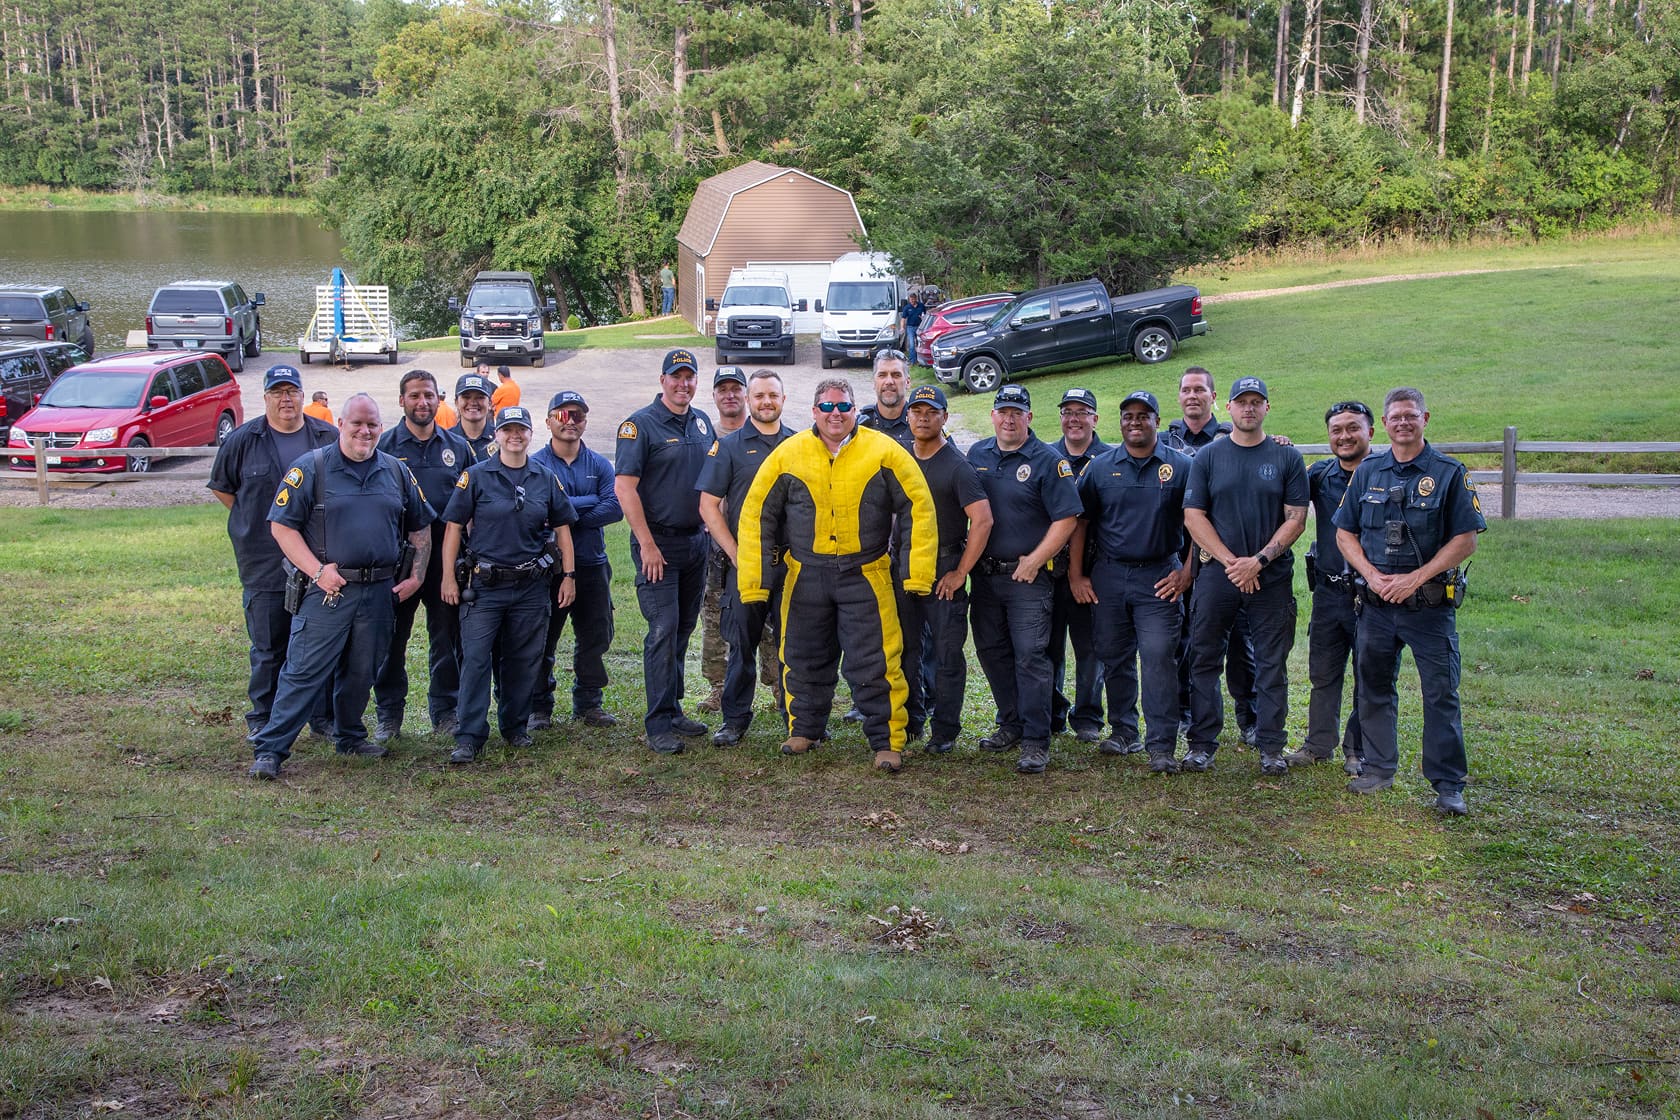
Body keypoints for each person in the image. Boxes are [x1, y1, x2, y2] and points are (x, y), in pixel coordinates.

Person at [736, 378, 936, 771]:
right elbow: (756, 514)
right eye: (826, 408)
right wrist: (755, 581)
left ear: (854, 410)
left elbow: (919, 506)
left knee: (875, 660)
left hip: (866, 575)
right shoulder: (787, 455)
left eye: (843, 406)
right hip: (805, 575)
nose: (835, 414)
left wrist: (916, 575)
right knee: (801, 655)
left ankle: (887, 741)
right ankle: (804, 729)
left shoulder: (884, 452)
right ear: (814, 412)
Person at [247, 393, 433, 779]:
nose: (365, 431)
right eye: (356, 424)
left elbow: (420, 526)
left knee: (362, 670)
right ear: (341, 425)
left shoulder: (396, 471)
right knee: (304, 671)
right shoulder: (311, 469)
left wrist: (416, 574)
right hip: (329, 591)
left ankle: (349, 735)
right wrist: (317, 571)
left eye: (372, 424)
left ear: (381, 427)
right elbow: (281, 527)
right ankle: (271, 749)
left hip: (379, 592)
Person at [1336, 388, 1486, 815]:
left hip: (1428, 609)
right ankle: (1379, 768)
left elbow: (1466, 540)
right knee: (1374, 688)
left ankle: (1448, 785)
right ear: (1384, 423)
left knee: (1441, 694)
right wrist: (1372, 576)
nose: (1403, 423)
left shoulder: (1449, 473)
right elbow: (1344, 533)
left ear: (1425, 419)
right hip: (1377, 608)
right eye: (1396, 417)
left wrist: (1414, 579)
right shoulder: (1368, 472)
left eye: (1411, 416)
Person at [1181, 376, 1309, 776]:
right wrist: (1232, 562)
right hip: (1218, 576)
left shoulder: (1287, 458)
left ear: (1267, 408)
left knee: (1271, 663)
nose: (1249, 408)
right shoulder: (1209, 458)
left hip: (1269, 577)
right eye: (1242, 402)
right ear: (1229, 408)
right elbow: (1193, 516)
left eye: (1257, 402)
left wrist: (1259, 560)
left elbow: (1296, 519)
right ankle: (1202, 744)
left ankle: (1271, 745)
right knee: (1204, 659)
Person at [208, 365, 338, 744]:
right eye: (277, 392)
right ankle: (263, 717)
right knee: (268, 646)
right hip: (263, 562)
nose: (286, 399)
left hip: (318, 560)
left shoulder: (326, 437)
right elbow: (223, 489)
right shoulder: (243, 440)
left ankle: (323, 718)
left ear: (303, 394)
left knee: (320, 643)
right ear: (265, 397)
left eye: (292, 391)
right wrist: (259, 523)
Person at [440, 406, 577, 763]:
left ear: (531, 434)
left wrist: (569, 576)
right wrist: (446, 577)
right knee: (476, 661)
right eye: (507, 430)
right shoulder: (476, 476)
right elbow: (454, 527)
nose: (514, 436)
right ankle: (469, 736)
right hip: (484, 586)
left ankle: (515, 727)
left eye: (521, 430)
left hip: (531, 586)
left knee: (522, 660)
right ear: (496, 435)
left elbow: (563, 529)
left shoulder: (544, 478)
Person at [1068, 390, 1195, 771]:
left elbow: (1198, 522)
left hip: (1160, 575)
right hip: (1109, 575)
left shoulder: (1182, 466)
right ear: (1119, 422)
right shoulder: (1101, 467)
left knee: (1158, 657)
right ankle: (1124, 731)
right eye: (1128, 416)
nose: (1135, 422)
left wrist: (1188, 571)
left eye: (1144, 415)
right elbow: (1080, 523)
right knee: (1113, 654)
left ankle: (1161, 745)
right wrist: (1076, 574)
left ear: (1157, 420)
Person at [966, 384, 1082, 775]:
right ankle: (1011, 723)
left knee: (1031, 657)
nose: (1010, 418)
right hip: (985, 578)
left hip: (1028, 578)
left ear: (1029, 418)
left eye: (1018, 412)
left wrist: (1035, 560)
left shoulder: (1049, 461)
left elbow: (1067, 519)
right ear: (993, 415)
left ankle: (1036, 738)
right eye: (1003, 411)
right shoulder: (977, 454)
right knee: (991, 652)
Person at [615, 348, 717, 755]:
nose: (683, 383)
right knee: (662, 630)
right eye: (676, 377)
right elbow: (625, 487)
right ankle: (657, 723)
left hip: (696, 543)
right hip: (657, 545)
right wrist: (647, 545)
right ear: (662, 381)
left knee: (682, 629)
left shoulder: (702, 421)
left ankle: (673, 709)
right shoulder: (639, 426)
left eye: (689, 376)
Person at [372, 370, 474, 742]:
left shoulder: (458, 447)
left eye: (429, 395)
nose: (422, 402)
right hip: (400, 561)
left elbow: (472, 504)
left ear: (438, 399)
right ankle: (388, 715)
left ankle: (445, 711)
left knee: (447, 637)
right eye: (414, 395)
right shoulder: (383, 446)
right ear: (402, 401)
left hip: (446, 561)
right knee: (391, 639)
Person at [697, 369, 795, 746]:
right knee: (742, 644)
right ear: (749, 401)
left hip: (792, 564)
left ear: (783, 400)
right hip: (749, 564)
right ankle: (735, 720)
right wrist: (736, 554)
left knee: (794, 643)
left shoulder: (801, 443)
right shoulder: (731, 447)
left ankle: (797, 717)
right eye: (759, 396)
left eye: (773, 395)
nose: (766, 401)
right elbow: (708, 506)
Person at [1162, 366, 1259, 745]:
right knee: (1185, 640)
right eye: (1186, 389)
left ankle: (1249, 716)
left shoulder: (1233, 436)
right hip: (1179, 555)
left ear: (1214, 398)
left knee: (1240, 643)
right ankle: (1186, 712)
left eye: (1200, 390)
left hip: (1227, 558)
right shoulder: (1165, 441)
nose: (1192, 396)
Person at [901, 384, 993, 754]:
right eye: (917, 411)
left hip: (943, 567)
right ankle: (910, 721)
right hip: (905, 565)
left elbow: (983, 521)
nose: (923, 418)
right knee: (905, 649)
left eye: (931, 412)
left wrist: (960, 572)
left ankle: (945, 730)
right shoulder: (900, 459)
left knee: (947, 653)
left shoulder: (957, 466)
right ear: (908, 416)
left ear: (944, 418)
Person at [1284, 400, 1375, 775]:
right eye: (1336, 430)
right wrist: (1281, 451)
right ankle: (1319, 745)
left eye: (1353, 428)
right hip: (1328, 593)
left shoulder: (1383, 474)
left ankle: (1359, 750)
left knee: (1369, 674)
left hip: (1371, 596)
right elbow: (1285, 495)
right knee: (1323, 672)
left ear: (1371, 431)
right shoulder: (1320, 475)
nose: (1344, 436)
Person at [529, 390, 623, 730]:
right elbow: (536, 512)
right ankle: (539, 706)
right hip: (547, 568)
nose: (571, 422)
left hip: (591, 563)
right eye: (563, 415)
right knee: (543, 637)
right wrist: (586, 502)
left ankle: (588, 703)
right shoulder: (535, 464)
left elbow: (614, 507)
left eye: (578, 416)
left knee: (595, 636)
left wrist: (565, 513)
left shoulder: (599, 463)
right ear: (549, 420)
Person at [1048, 387, 1120, 746]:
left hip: (1094, 572)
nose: (1074, 419)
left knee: (1091, 648)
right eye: (1067, 411)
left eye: (1082, 411)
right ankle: (1052, 711)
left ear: (1095, 418)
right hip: (1048, 571)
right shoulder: (1045, 457)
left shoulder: (1111, 459)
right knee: (1048, 646)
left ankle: (1088, 717)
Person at [697, 367, 749, 713]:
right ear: (714, 396)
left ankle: (778, 687)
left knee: (771, 622)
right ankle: (718, 686)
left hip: (759, 543)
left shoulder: (764, 433)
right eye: (722, 389)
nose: (729, 395)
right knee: (715, 619)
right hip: (714, 547)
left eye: (736, 389)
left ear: (746, 394)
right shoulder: (703, 437)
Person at [857, 349, 914, 449]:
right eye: (882, 375)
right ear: (874, 382)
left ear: (907, 382)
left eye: (896, 375)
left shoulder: (922, 424)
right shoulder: (859, 426)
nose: (889, 381)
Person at [447, 370, 496, 461]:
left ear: (489, 404)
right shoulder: (445, 441)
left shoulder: (502, 439)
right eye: (466, 397)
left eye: (480, 397)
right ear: (456, 402)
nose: (473, 402)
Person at [898, 292, 925, 368]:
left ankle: (920, 360)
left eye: (913, 299)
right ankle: (912, 361)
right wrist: (902, 327)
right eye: (911, 299)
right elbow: (903, 319)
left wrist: (923, 318)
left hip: (919, 327)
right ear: (909, 299)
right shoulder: (907, 307)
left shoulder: (921, 306)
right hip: (910, 327)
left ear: (916, 298)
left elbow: (925, 315)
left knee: (920, 344)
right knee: (912, 344)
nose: (912, 301)